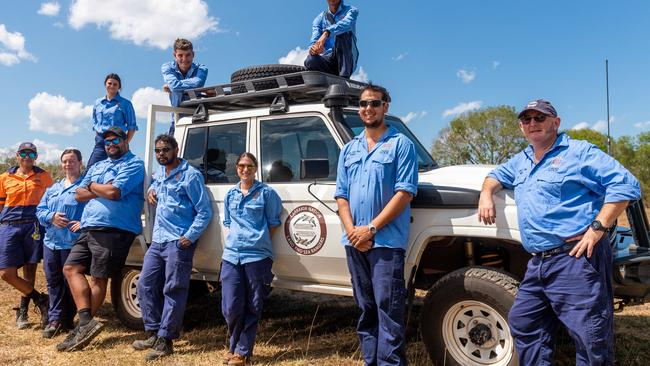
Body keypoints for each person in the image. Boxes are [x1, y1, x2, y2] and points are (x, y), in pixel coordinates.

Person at [478, 99, 641, 365]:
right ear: (521, 127)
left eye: (539, 118)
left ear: (556, 122)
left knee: (590, 337)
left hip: (575, 260)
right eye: (526, 119)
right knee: (524, 322)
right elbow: (495, 175)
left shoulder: (579, 152)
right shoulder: (522, 160)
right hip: (538, 263)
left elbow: (625, 185)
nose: (533, 124)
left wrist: (597, 228)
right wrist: (486, 193)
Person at [334, 84, 418, 365]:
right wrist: (353, 232)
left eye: (374, 103)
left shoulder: (401, 144)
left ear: (386, 106)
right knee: (365, 309)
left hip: (386, 242)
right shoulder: (348, 149)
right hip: (354, 242)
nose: (368, 108)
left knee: (388, 310)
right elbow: (341, 196)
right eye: (363, 104)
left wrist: (370, 229)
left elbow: (404, 192)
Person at [56, 126, 144, 352]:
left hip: (114, 229)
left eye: (115, 140)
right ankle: (85, 322)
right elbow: (78, 194)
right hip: (88, 227)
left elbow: (115, 192)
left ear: (125, 141)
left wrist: (92, 186)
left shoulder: (134, 164)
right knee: (70, 268)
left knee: (98, 278)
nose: (111, 144)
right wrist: (100, 189)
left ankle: (81, 330)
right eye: (107, 142)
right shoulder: (98, 165)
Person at [132, 134, 212, 361]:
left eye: (165, 149)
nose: (161, 154)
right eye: (158, 151)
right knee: (145, 285)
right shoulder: (160, 175)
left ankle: (165, 340)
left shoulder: (190, 176)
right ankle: (153, 331)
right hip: (158, 241)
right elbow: (155, 188)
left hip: (178, 242)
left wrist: (189, 236)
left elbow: (204, 211)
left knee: (173, 289)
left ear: (176, 149)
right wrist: (150, 190)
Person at [220, 152, 282, 366]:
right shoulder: (230, 194)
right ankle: (233, 345)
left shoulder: (267, 193)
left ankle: (242, 352)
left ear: (256, 168)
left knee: (253, 305)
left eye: (249, 166)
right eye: (241, 166)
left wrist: (258, 240)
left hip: (257, 256)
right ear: (236, 168)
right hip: (231, 256)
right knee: (231, 306)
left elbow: (273, 223)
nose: (245, 170)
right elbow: (228, 222)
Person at [0, 142, 53, 330]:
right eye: (24, 153)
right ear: (17, 155)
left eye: (31, 154)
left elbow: (51, 201)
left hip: (33, 226)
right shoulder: (5, 177)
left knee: (30, 271)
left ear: (36, 157)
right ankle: (41, 300)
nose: (27, 157)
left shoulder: (44, 176)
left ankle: (22, 311)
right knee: (6, 273)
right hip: (9, 226)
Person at [36, 149, 86, 338]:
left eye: (72, 161)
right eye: (65, 161)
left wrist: (84, 223)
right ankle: (55, 319)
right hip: (51, 242)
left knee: (70, 282)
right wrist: (52, 216)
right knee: (53, 281)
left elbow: (93, 210)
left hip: (72, 243)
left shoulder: (85, 188)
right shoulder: (53, 189)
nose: (68, 164)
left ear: (80, 163)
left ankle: (68, 318)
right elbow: (40, 210)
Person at [87, 73, 138, 168]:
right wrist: (98, 138)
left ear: (119, 87)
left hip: (118, 141)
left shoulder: (126, 103)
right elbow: (95, 123)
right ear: (105, 84)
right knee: (91, 168)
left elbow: (132, 126)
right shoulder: (97, 103)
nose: (112, 86)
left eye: (115, 84)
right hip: (101, 141)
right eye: (109, 83)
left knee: (118, 169)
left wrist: (125, 143)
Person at [161, 38, 208, 135]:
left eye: (188, 55)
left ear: (193, 54)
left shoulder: (202, 68)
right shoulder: (167, 67)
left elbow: (197, 83)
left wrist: (175, 85)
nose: (184, 59)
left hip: (198, 119)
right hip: (176, 121)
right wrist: (176, 86)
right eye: (180, 55)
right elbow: (175, 86)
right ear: (175, 55)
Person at [304, 0, 359, 79]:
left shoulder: (351, 10)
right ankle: (329, 78)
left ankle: (344, 78)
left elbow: (347, 24)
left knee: (342, 34)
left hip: (346, 60)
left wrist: (326, 33)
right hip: (328, 61)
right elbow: (314, 41)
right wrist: (314, 49)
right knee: (310, 60)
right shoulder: (319, 19)